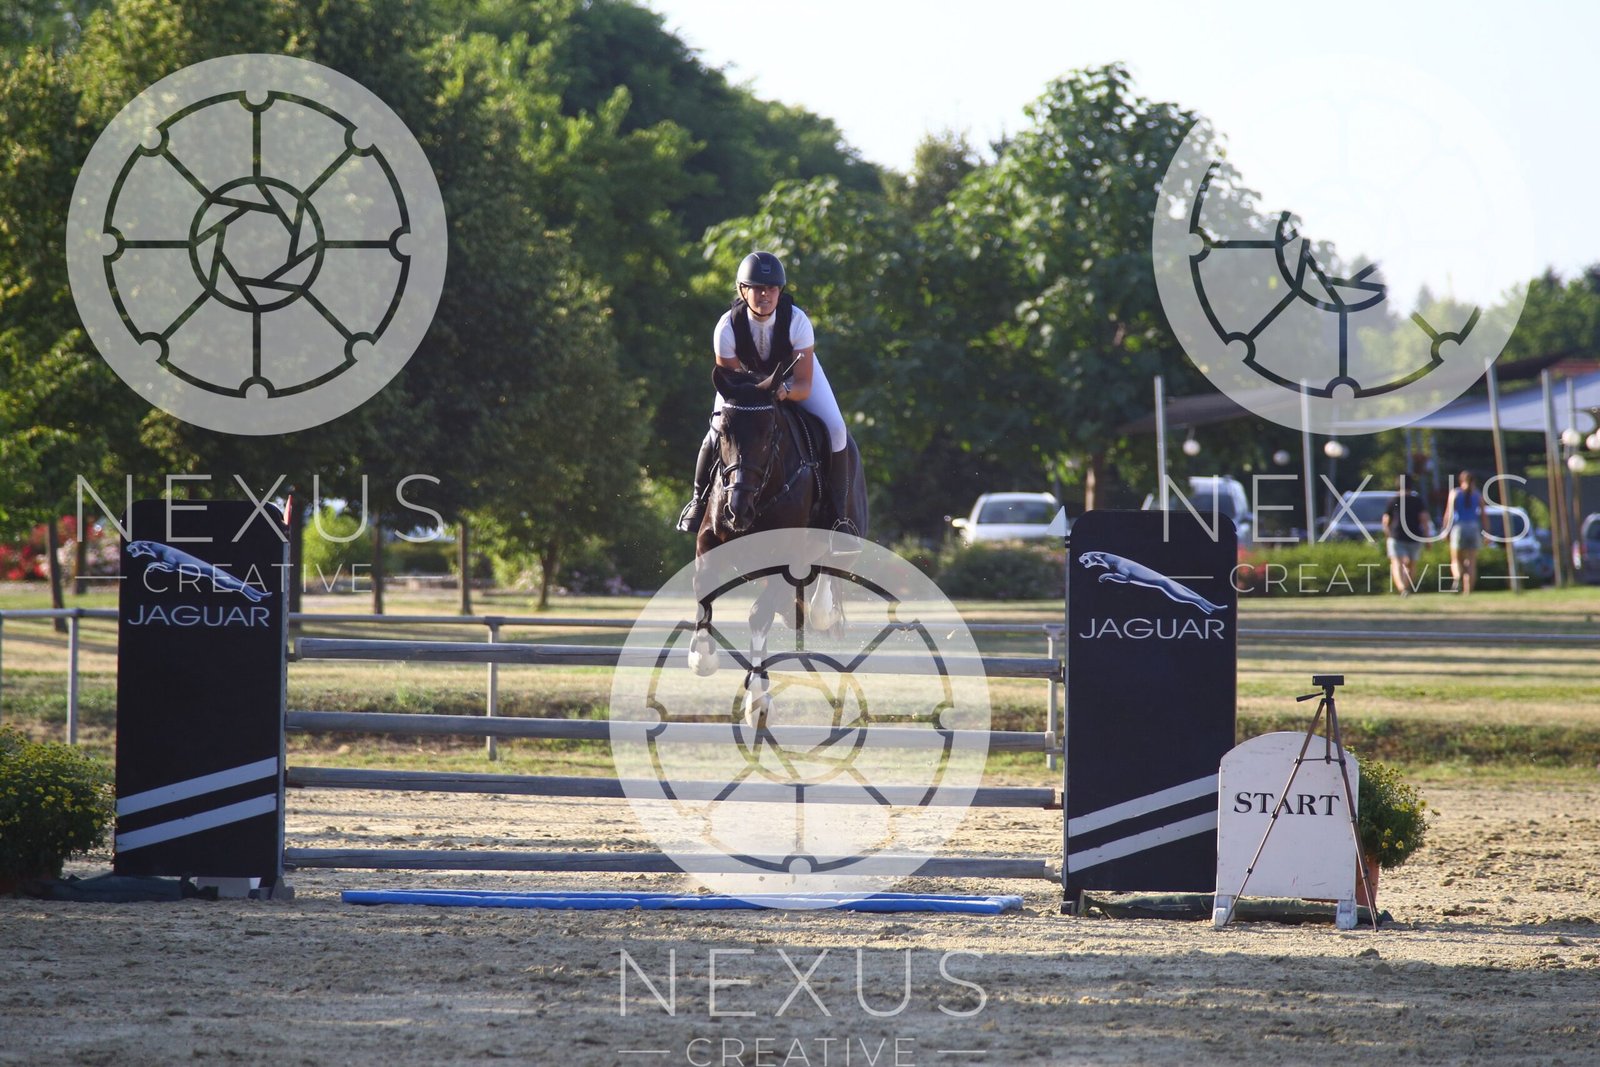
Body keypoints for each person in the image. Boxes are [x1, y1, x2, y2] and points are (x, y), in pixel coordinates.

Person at [676, 251, 856, 537]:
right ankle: (698, 502)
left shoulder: (797, 322)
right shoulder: (726, 327)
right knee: (715, 430)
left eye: (772, 288)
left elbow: (803, 385)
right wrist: (759, 396)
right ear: (742, 290)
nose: (765, 295)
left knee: (836, 428)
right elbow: (731, 383)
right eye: (758, 288)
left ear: (779, 291)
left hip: (790, 382)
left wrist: (785, 391)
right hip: (744, 389)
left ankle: (838, 516)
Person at [1381, 474, 1433, 595]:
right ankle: (1406, 587)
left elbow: (1386, 521)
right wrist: (1428, 538)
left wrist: (1388, 536)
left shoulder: (1393, 501)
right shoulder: (1417, 501)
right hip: (1414, 536)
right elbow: (1424, 520)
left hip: (1396, 535)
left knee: (1397, 563)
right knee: (1412, 564)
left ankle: (1402, 588)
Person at [1441, 469, 1483, 595]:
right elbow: (1484, 515)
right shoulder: (1477, 495)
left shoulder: (1455, 493)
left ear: (1461, 481)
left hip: (1459, 528)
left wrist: (1445, 530)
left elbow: (1449, 514)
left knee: (1456, 560)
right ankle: (1468, 591)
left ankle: (1458, 577)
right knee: (1471, 562)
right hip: (1474, 527)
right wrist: (1487, 532)